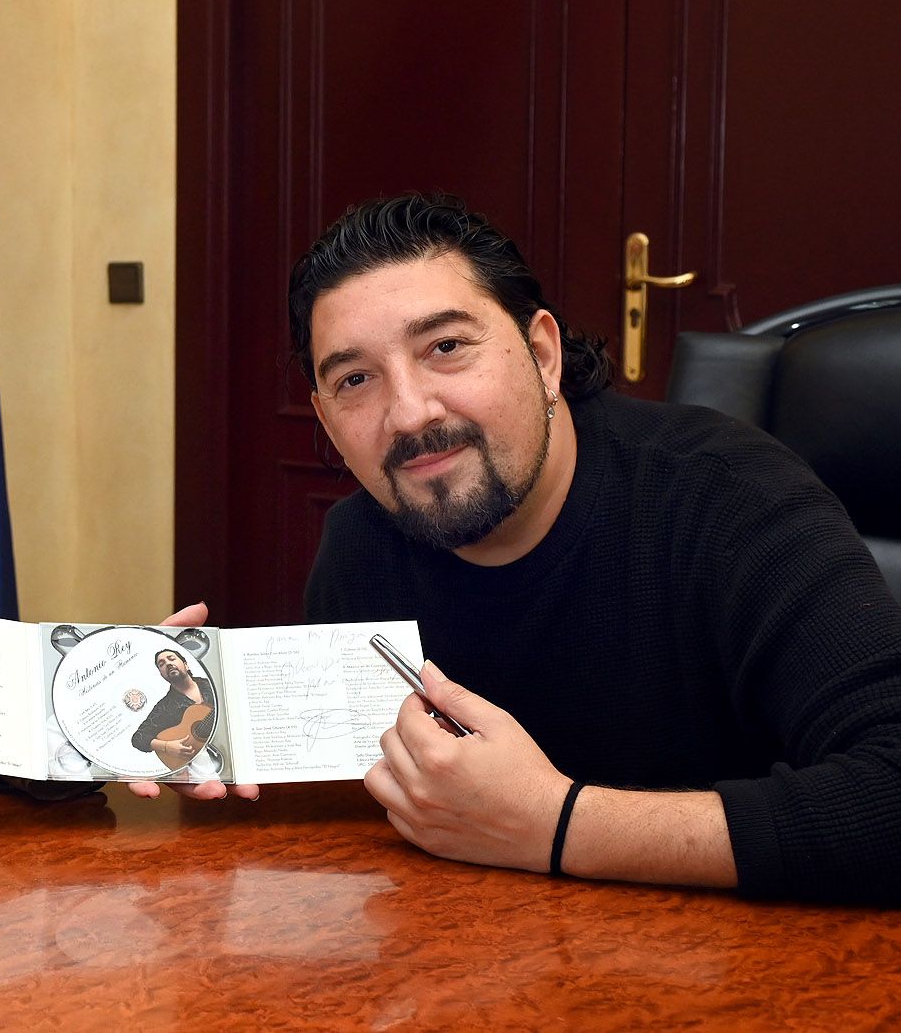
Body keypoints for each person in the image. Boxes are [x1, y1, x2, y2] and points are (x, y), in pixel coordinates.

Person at [290, 192, 901, 904]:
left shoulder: (731, 498)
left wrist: (555, 823)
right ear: (327, 419)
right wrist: (149, 728)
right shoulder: (358, 548)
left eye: (446, 347)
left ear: (542, 354)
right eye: (355, 379)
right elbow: (351, 813)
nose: (409, 412)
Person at [129, 649, 217, 768]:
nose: (168, 664)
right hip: (200, 763)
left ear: (186, 665)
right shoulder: (165, 706)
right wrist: (167, 747)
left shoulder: (214, 685)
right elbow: (138, 738)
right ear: (162, 674)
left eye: (171, 658)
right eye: (162, 664)